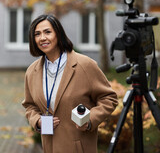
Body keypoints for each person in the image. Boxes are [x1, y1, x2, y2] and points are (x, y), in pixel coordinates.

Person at [22, 14, 118, 153]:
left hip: (78, 147)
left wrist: (90, 119)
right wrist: (37, 120)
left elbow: (109, 98)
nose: (42, 38)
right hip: (49, 147)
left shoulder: (85, 65)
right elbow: (30, 105)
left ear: (58, 34)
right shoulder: (32, 71)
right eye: (37, 34)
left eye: (47, 32)